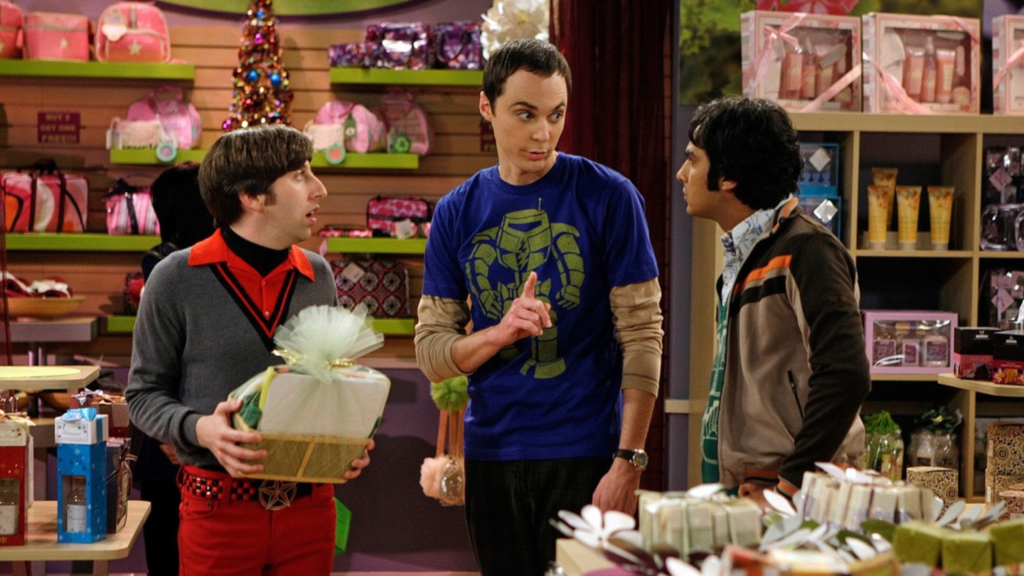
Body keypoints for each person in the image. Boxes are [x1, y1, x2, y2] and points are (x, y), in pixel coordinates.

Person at [415, 38, 663, 576]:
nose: (543, 133)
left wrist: (629, 460)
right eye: (525, 114)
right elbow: (432, 354)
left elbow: (642, 334)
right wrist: (498, 333)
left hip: (587, 451)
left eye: (556, 115)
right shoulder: (457, 211)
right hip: (492, 452)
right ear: (487, 107)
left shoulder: (610, 195)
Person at [126, 124, 372, 576]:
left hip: (311, 510)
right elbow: (143, 395)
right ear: (252, 196)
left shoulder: (318, 275)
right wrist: (201, 429)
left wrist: (347, 436)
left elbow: (328, 383)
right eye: (299, 175)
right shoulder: (174, 278)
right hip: (217, 511)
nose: (319, 188)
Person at [677, 97, 870, 507]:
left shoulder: (809, 251)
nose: (682, 173)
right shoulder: (745, 258)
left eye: (693, 160)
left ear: (728, 177)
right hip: (752, 492)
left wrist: (789, 486)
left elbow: (846, 374)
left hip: (795, 500)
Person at [133, 162, 216, 576]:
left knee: (168, 553)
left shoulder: (160, 263)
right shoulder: (172, 268)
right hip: (190, 431)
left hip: (169, 427)